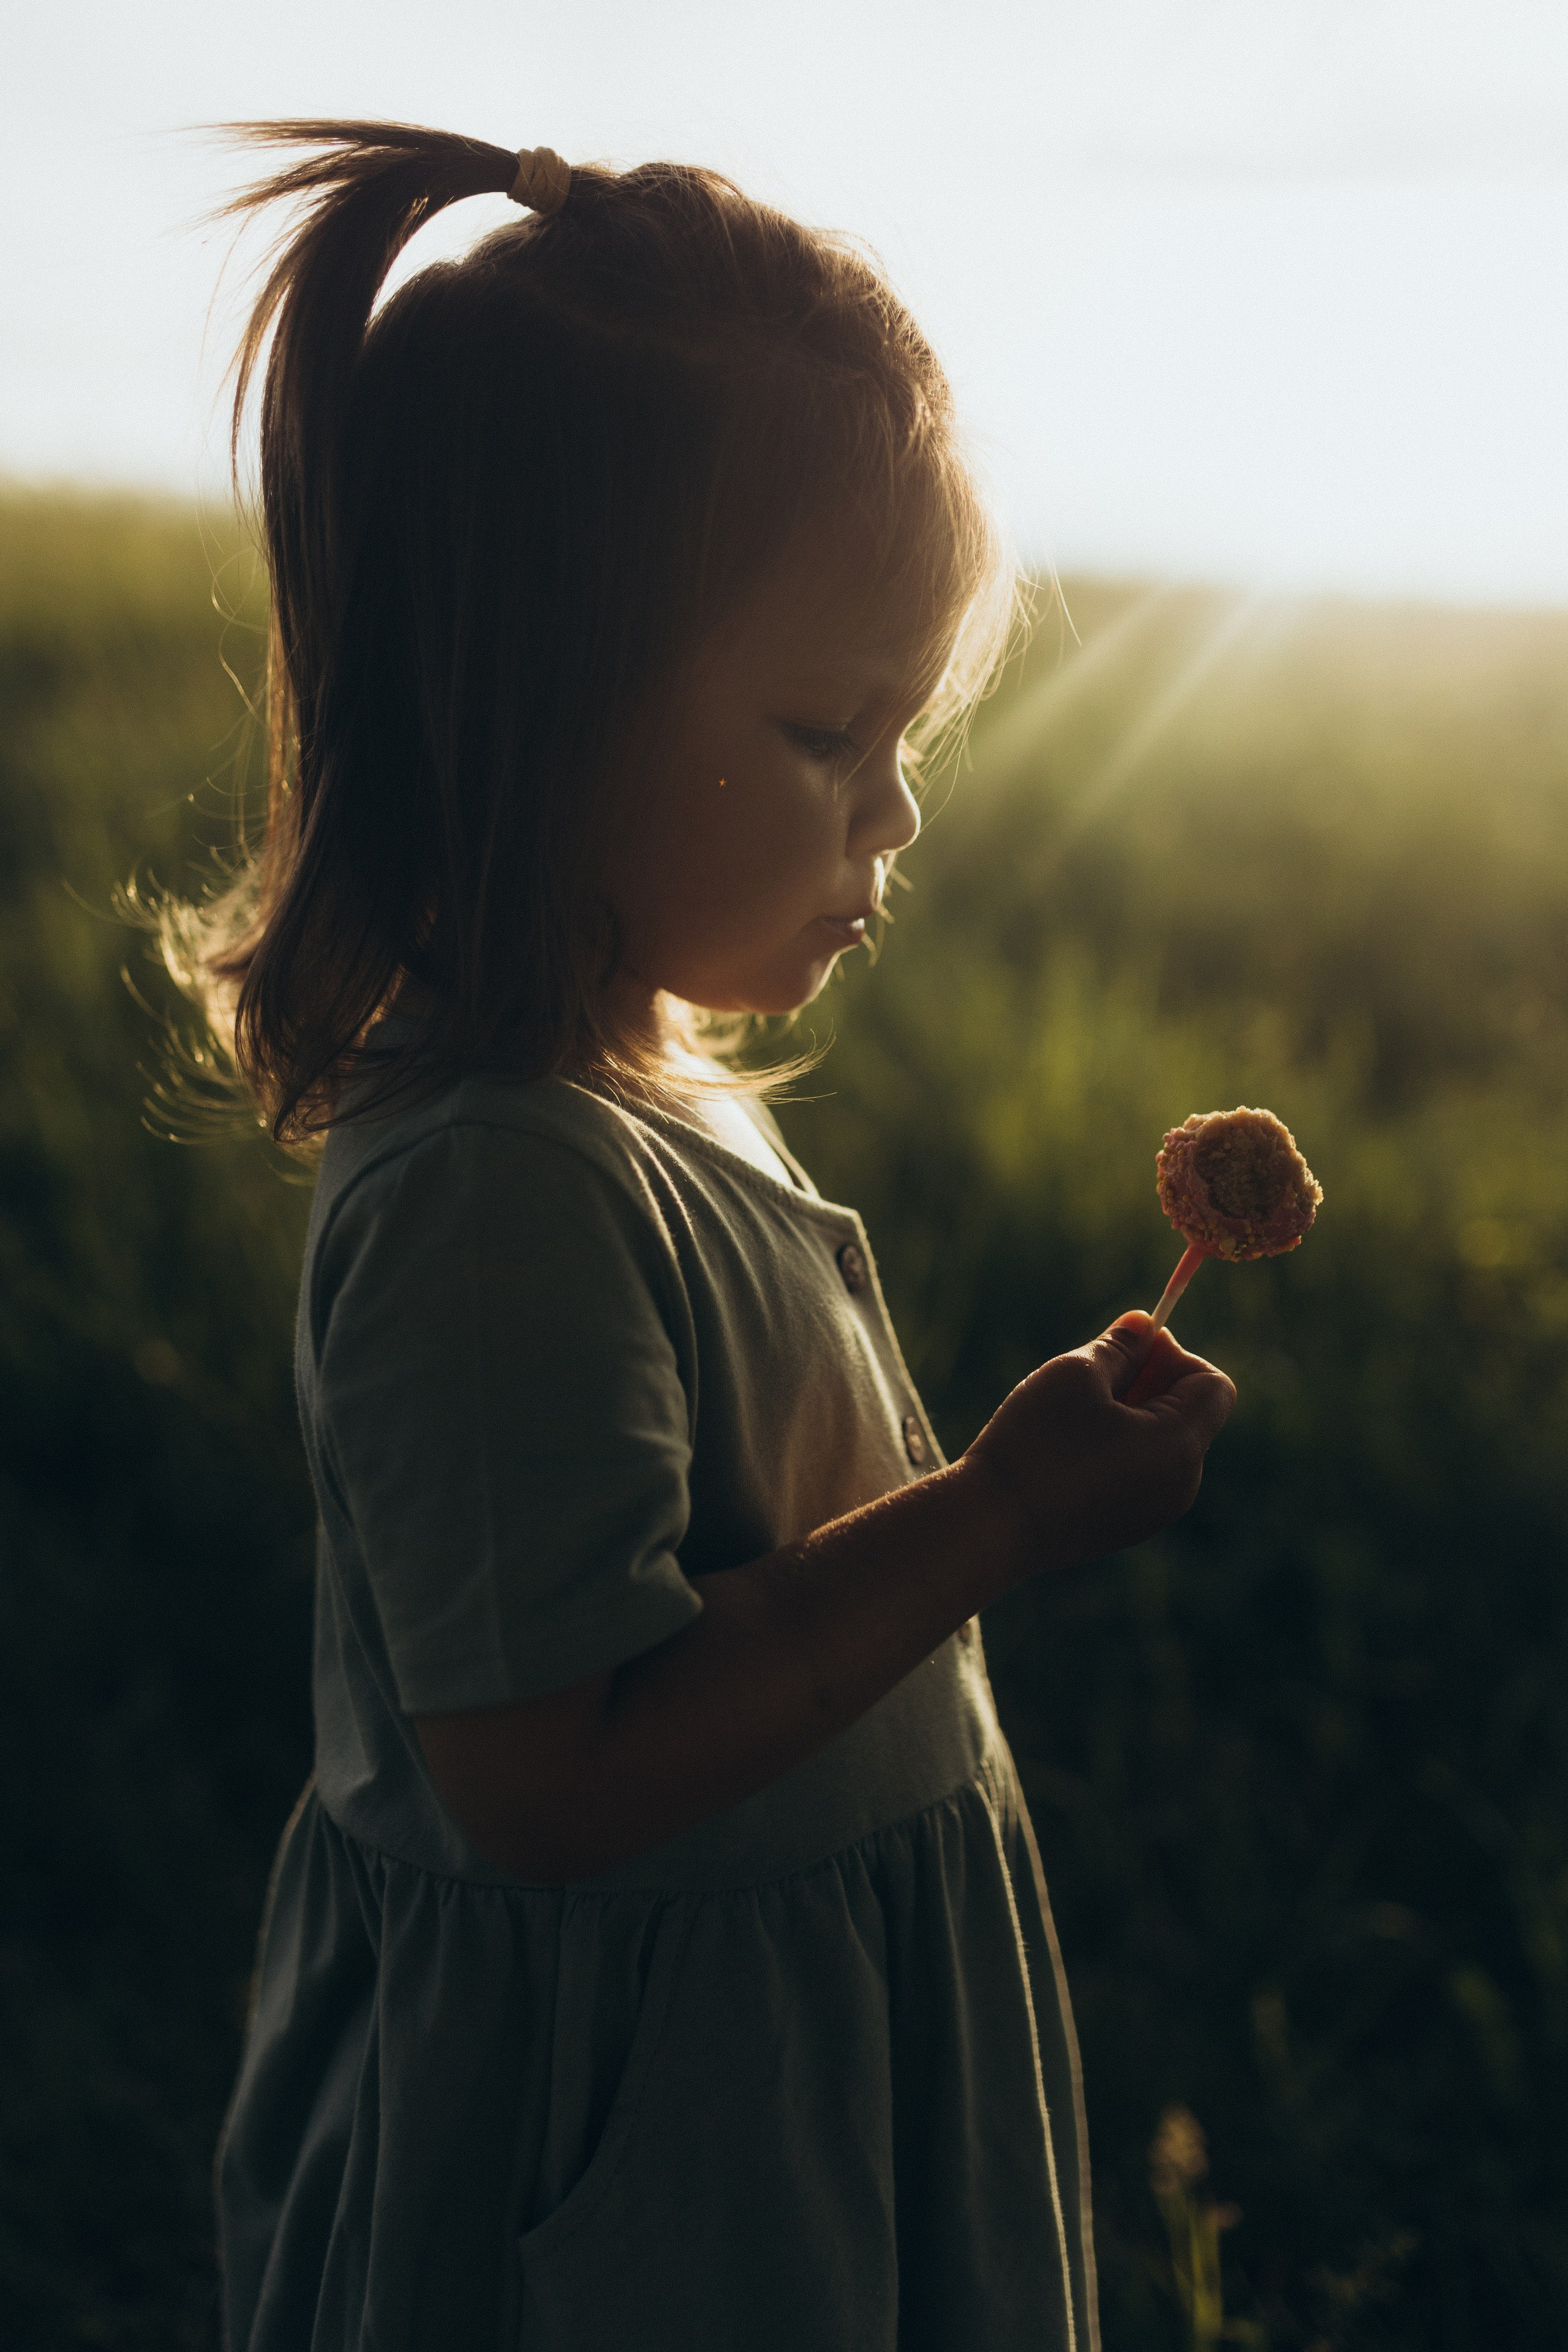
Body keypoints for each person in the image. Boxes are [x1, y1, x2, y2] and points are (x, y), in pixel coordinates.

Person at [176, 121, 1237, 2352]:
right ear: (527, 704)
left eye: (908, 730)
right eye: (830, 730)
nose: (897, 809)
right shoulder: (490, 1195)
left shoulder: (648, 1081)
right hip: (626, 2162)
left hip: (778, 2068)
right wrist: (996, 1516)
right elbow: (553, 1771)